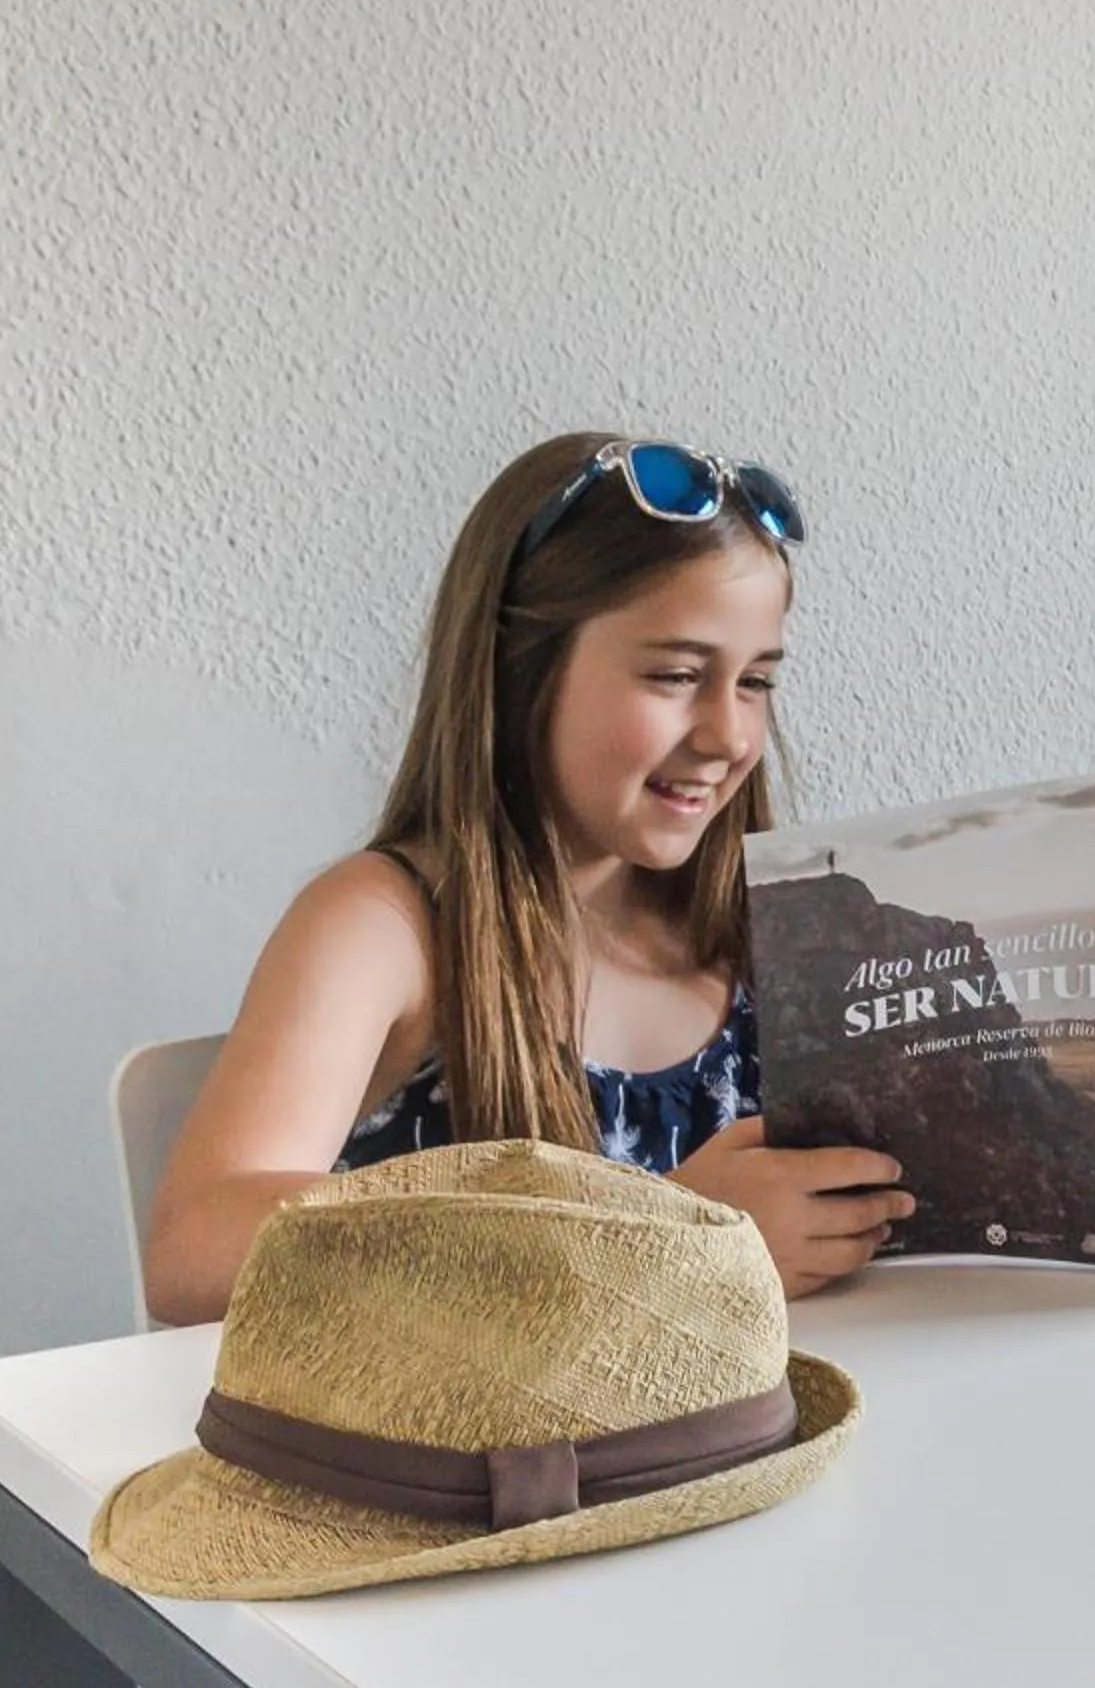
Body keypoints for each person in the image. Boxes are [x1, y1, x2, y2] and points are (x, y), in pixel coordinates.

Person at [144, 434, 912, 1325]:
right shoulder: (388, 926)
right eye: (675, 675)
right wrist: (657, 1233)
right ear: (520, 670)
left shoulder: (759, 932)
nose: (730, 737)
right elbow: (193, 1250)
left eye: (756, 682)